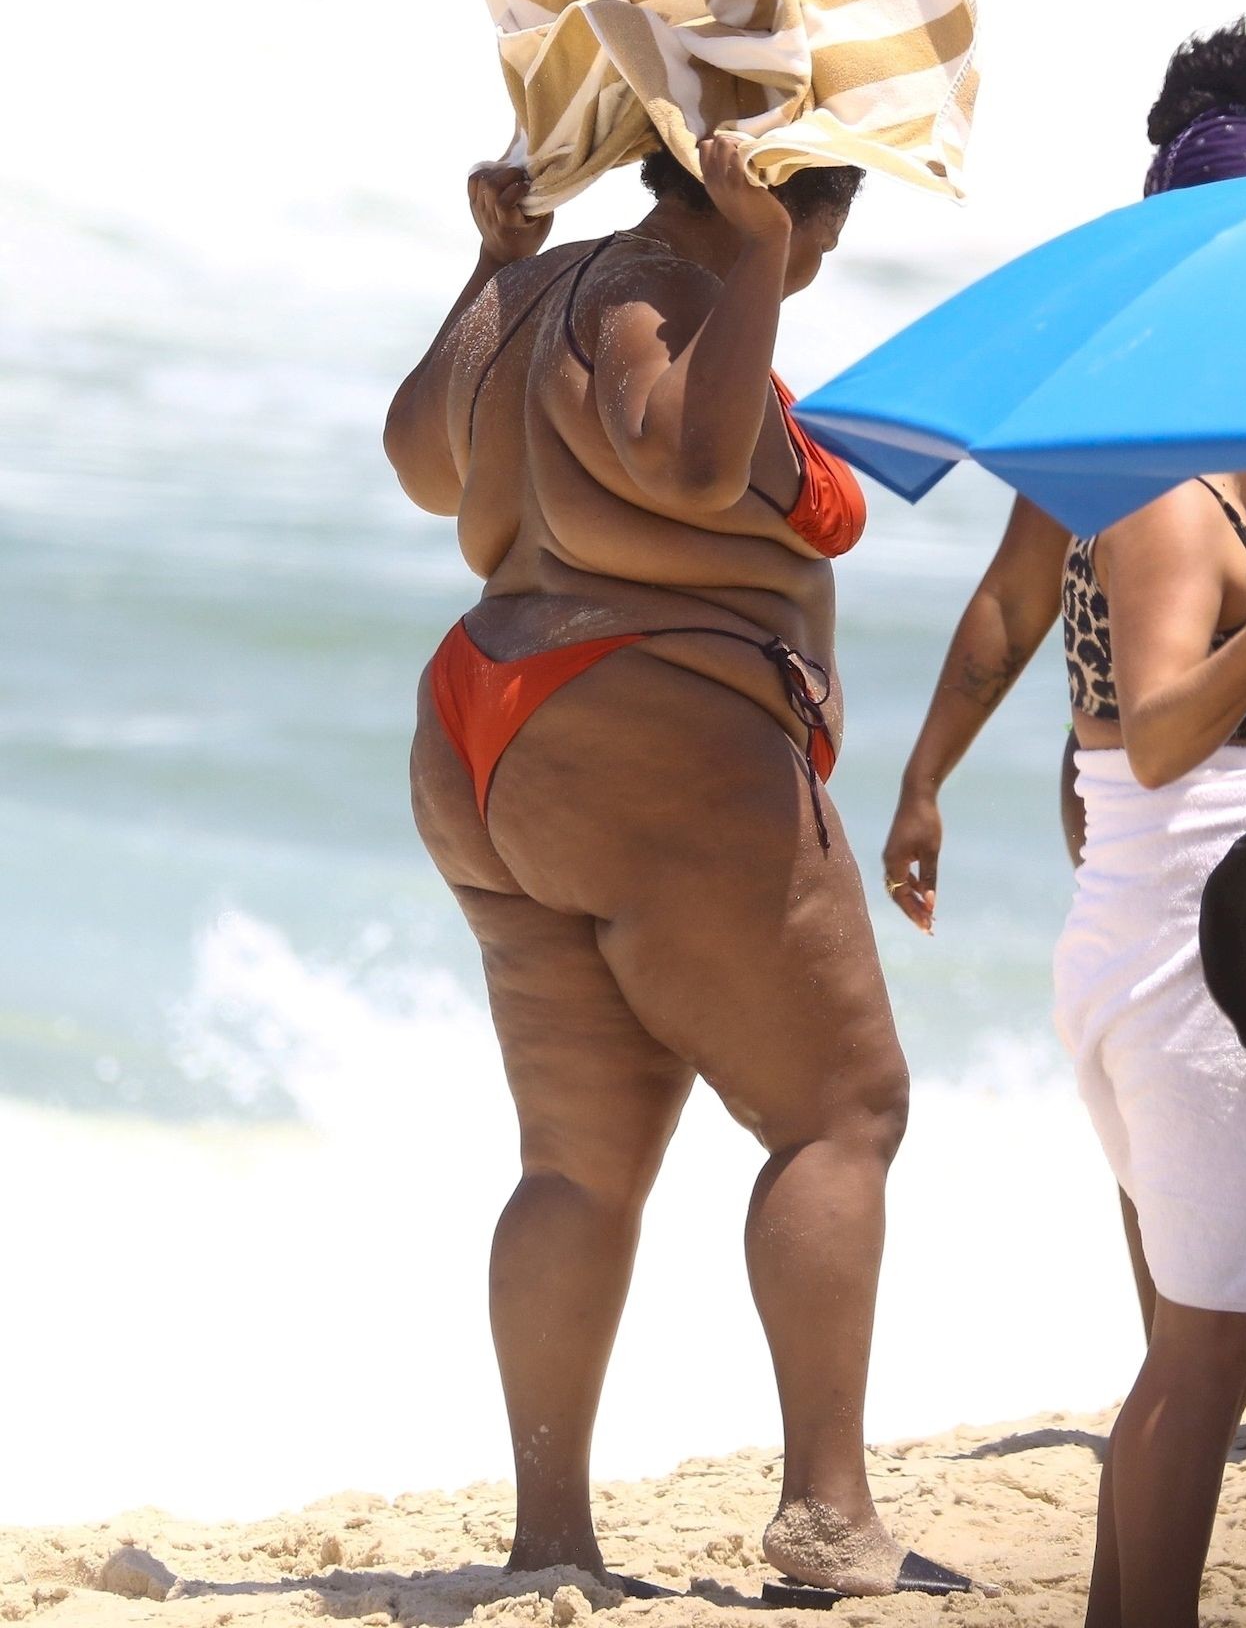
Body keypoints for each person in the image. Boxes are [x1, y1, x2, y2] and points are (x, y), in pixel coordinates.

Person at [383, 135, 975, 1601]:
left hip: (489, 726)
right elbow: (695, 465)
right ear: (796, 195)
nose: (822, 250)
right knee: (840, 1112)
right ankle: (828, 1516)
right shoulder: (671, 293)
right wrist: (758, 252)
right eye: (824, 220)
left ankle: (551, 1541)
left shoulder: (548, 290)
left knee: (575, 1162)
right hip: (646, 729)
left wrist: (493, 263)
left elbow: (419, 462)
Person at [881, 19, 1246, 1343]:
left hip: (1118, 808)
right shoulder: (1219, 365)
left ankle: (1180, 1339)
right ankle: (1192, 1349)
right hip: (1197, 787)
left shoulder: (1113, 383)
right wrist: (923, 781)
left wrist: (925, 781)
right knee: (1199, 1073)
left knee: (1174, 1077)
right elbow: (1008, 609)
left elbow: (1009, 605)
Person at [1056, 469, 1246, 1628]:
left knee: (1214, 1336)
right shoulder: (1175, 505)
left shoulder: (1239, 507)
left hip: (1210, 942)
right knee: (1212, 1344)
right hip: (1195, 958)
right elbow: (1148, 741)